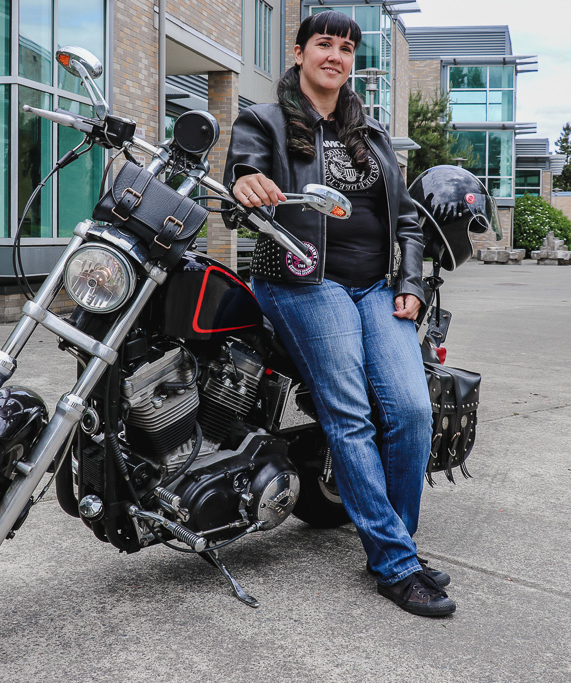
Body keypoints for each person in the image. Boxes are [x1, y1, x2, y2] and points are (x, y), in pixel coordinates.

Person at [224, 10, 455, 617]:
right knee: (349, 411)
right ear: (299, 53)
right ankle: (396, 564)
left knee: (409, 408)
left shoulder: (372, 134)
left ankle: (394, 539)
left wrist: (410, 283)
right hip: (303, 282)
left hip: (376, 288)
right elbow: (240, 181)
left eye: (347, 48)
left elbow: (406, 219)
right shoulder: (263, 121)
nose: (337, 55)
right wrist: (247, 184)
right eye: (324, 44)